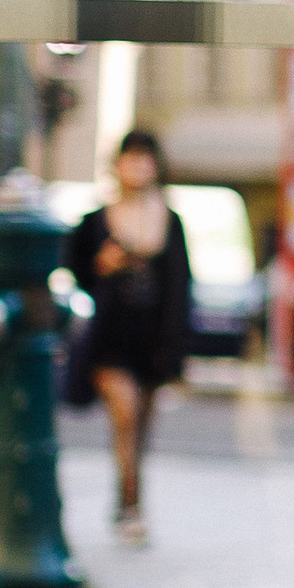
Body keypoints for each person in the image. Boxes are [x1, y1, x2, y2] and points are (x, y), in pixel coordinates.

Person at [63, 131, 192, 547]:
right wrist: (101, 265)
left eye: (145, 159)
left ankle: (126, 502)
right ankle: (131, 509)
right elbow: (73, 267)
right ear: (117, 165)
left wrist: (176, 354)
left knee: (141, 431)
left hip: (152, 342)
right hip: (111, 338)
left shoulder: (169, 222)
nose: (138, 167)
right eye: (130, 159)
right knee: (126, 417)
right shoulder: (98, 220)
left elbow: (181, 288)